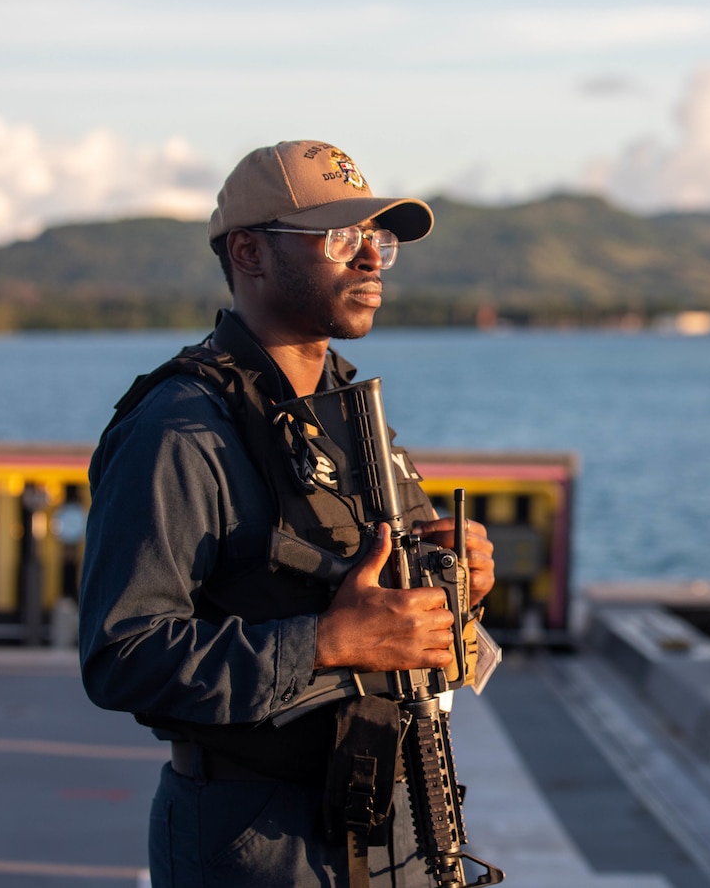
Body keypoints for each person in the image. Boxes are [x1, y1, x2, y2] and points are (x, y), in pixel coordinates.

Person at [77, 140, 495, 887]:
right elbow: (123, 656)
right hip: (255, 835)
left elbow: (397, 605)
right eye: (341, 238)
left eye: (378, 240)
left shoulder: (347, 412)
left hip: (386, 818)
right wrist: (329, 641)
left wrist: (455, 581)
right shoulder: (178, 430)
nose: (369, 257)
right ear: (249, 252)